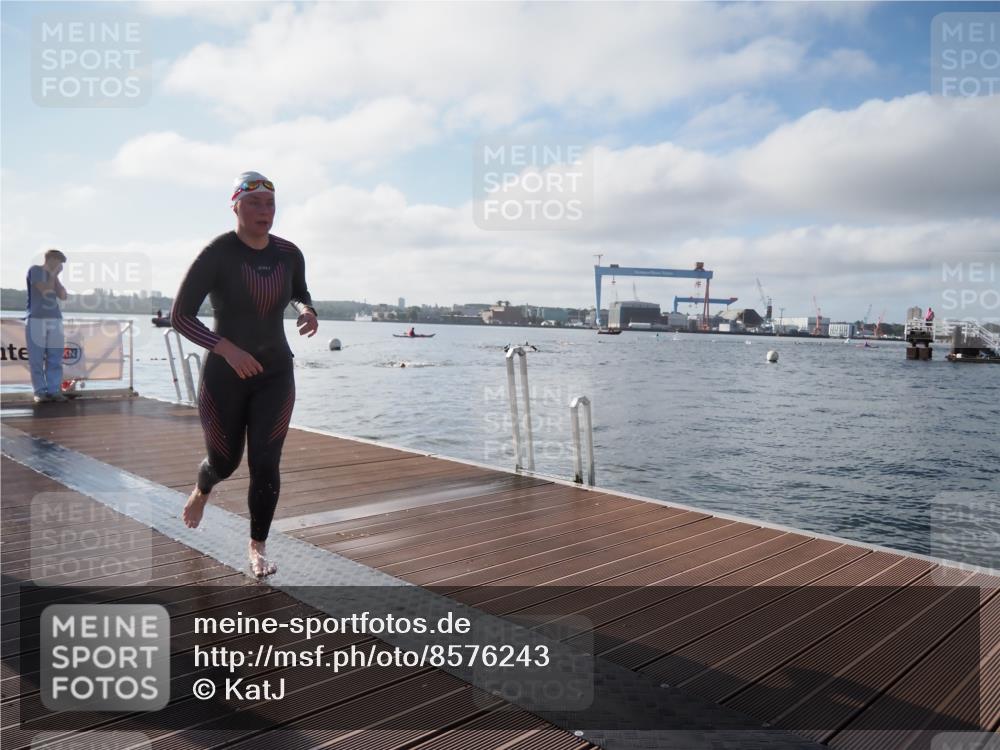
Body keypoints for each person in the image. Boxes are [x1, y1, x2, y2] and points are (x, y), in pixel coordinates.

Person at [171, 171, 318, 577]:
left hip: (275, 372)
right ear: (235, 205)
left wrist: (306, 310)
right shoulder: (217, 253)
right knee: (225, 460)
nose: (263, 211)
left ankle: (257, 547)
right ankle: (203, 489)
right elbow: (179, 316)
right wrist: (227, 349)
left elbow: (298, 291)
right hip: (225, 375)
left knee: (266, 462)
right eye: (254, 203)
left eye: (270, 204)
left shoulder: (289, 253)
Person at [25, 249, 68, 403]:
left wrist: (56, 278)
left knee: (55, 358)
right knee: (36, 358)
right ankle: (39, 392)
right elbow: (45, 291)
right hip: (36, 319)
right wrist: (53, 275)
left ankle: (54, 390)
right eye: (58, 262)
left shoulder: (54, 277)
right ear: (49, 259)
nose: (59, 265)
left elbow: (63, 296)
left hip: (55, 319)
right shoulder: (35, 270)